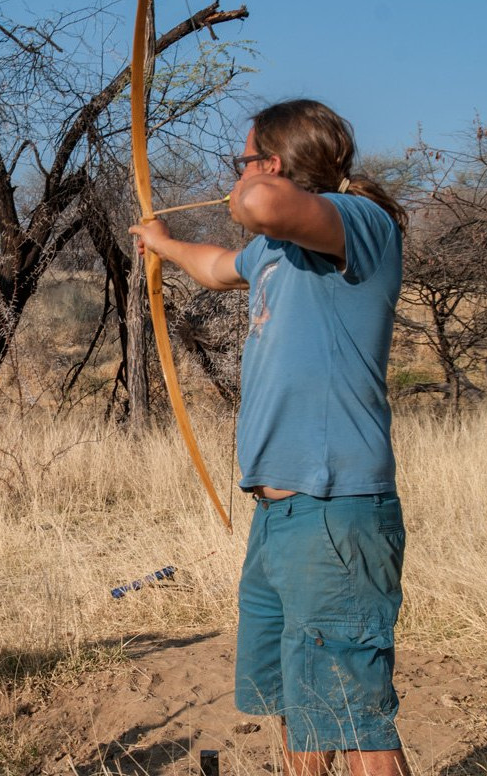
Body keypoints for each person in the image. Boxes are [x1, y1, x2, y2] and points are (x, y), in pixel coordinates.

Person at [130, 99, 410, 776]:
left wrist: (248, 186)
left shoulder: (359, 225)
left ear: (275, 163)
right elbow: (219, 264)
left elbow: (256, 202)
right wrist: (162, 243)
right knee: (296, 706)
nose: (236, 175)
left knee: (354, 718)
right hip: (280, 513)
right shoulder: (273, 253)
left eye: (244, 159)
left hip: (332, 506)